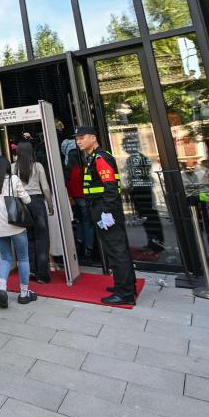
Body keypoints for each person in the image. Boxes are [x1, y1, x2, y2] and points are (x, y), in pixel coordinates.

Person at [74, 126, 138, 305]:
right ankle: (125, 285)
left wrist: (106, 213)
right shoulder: (93, 157)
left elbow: (110, 187)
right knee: (117, 249)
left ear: (93, 138)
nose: (79, 141)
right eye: (77, 138)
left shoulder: (100, 157)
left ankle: (124, 293)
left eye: (82, 137)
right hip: (102, 208)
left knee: (116, 250)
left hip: (105, 209)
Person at [0, 155, 35, 308]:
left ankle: (2, 289)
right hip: (16, 225)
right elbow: (27, 200)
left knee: (5, 258)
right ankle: (24, 293)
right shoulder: (14, 180)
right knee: (23, 258)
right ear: (7, 167)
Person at [12, 141, 53, 284]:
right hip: (36, 202)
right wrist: (50, 204)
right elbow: (46, 188)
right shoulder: (37, 166)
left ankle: (31, 270)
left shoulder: (13, 167)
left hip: (21, 203)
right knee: (42, 237)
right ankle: (42, 274)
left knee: (27, 238)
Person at [66, 148, 95, 260]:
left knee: (79, 222)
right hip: (84, 198)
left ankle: (79, 241)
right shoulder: (83, 169)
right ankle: (89, 247)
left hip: (73, 199)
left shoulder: (68, 171)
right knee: (88, 222)